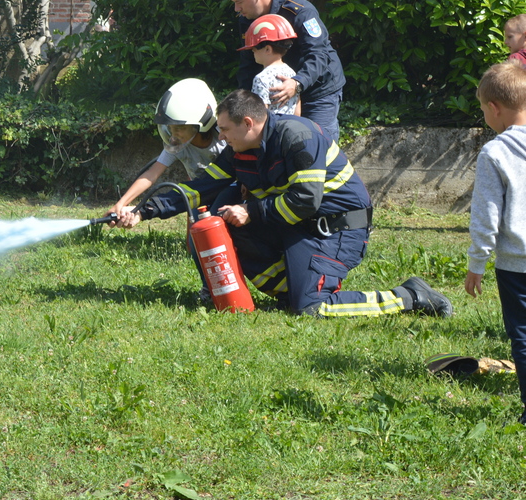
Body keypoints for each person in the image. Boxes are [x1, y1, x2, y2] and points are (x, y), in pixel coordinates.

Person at [127, 88, 453, 318]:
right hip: (295, 227)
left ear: (248, 123)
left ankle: (409, 296)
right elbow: (201, 188)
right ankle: (293, 290)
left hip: (336, 230)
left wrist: (251, 210)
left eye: (225, 129)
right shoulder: (240, 149)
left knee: (312, 308)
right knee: (218, 220)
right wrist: (143, 212)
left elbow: (306, 200)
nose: (221, 137)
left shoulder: (298, 136)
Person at [465, 61, 526, 426]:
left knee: (523, 335)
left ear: (494, 108)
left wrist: (477, 263)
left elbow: (486, 216)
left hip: (517, 264)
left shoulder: (495, 153)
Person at [225, 0, 345, 142]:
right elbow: (248, 65)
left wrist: (297, 83)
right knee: (279, 146)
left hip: (317, 90)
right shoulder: (247, 18)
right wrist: (243, 102)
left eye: (239, 2)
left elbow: (318, 54)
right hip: (279, 95)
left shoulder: (300, 11)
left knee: (318, 145)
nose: (236, 8)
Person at [108, 78, 226, 221]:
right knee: (197, 230)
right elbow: (151, 174)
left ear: (202, 122)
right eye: (170, 128)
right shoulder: (178, 145)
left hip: (229, 189)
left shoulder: (224, 137)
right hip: (199, 192)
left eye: (180, 127)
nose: (173, 134)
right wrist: (121, 203)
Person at [240, 13, 301, 116]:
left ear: (268, 49)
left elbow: (261, 115)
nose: (252, 52)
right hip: (291, 125)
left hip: (272, 126)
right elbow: (297, 110)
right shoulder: (292, 74)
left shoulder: (261, 79)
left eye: (254, 49)